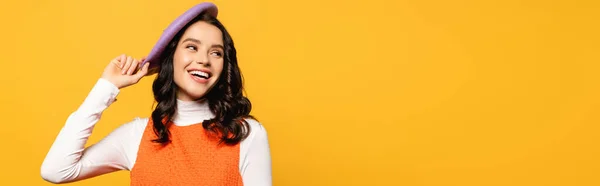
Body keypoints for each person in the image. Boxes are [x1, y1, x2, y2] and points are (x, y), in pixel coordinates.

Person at [40, 2, 272, 185]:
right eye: (192, 47)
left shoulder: (246, 134)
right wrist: (107, 86)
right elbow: (56, 170)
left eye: (216, 53)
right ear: (170, 58)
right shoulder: (136, 135)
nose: (204, 60)